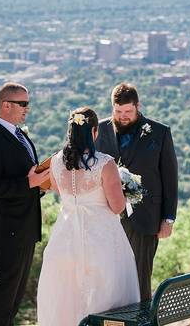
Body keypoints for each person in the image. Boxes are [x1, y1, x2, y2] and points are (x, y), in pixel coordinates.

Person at [36, 107, 140, 326]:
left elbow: (59, 190)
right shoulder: (105, 164)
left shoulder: (55, 162)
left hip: (64, 241)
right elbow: (117, 207)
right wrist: (124, 189)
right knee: (108, 296)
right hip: (101, 241)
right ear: (94, 132)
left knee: (66, 297)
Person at [95, 82, 178, 302]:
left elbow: (170, 179)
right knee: (109, 280)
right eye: (118, 111)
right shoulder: (99, 131)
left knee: (140, 280)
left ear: (138, 106)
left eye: (128, 112)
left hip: (145, 218)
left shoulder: (159, 132)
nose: (123, 116)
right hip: (106, 218)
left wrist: (168, 219)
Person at [0, 82, 51, 326]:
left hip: (27, 225)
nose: (27, 109)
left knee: (15, 295)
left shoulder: (19, 134)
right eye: (23, 104)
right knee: (3, 289)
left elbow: (26, 175)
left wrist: (41, 185)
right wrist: (28, 184)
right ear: (6, 105)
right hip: (8, 227)